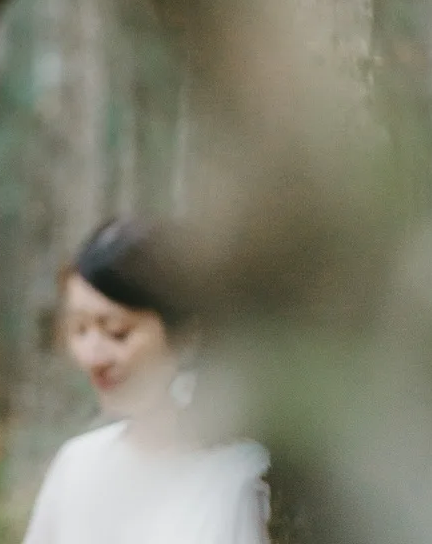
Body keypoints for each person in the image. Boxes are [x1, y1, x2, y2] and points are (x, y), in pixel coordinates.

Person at [21, 216, 270, 544]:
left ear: (186, 333)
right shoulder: (77, 465)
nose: (92, 356)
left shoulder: (242, 479)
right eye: (79, 329)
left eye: (116, 332)